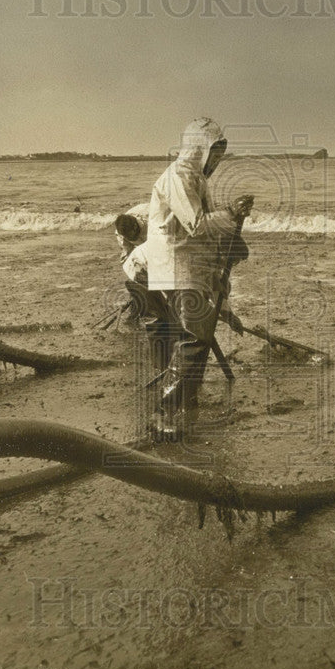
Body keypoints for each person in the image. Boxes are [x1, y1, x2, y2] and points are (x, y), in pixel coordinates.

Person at [144, 117, 253, 439]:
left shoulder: (195, 179)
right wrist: (231, 214)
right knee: (194, 339)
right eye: (214, 153)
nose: (217, 161)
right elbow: (196, 225)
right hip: (178, 267)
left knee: (199, 337)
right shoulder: (179, 176)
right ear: (199, 150)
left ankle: (187, 403)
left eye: (220, 154)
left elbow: (205, 231)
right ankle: (163, 410)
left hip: (190, 267)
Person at [123, 236, 246, 370]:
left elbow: (215, 289)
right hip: (140, 269)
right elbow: (187, 294)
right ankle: (163, 369)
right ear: (223, 252)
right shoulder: (197, 256)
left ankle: (175, 364)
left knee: (180, 320)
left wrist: (230, 316)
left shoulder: (210, 255)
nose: (229, 267)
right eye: (232, 262)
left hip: (162, 271)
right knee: (160, 323)